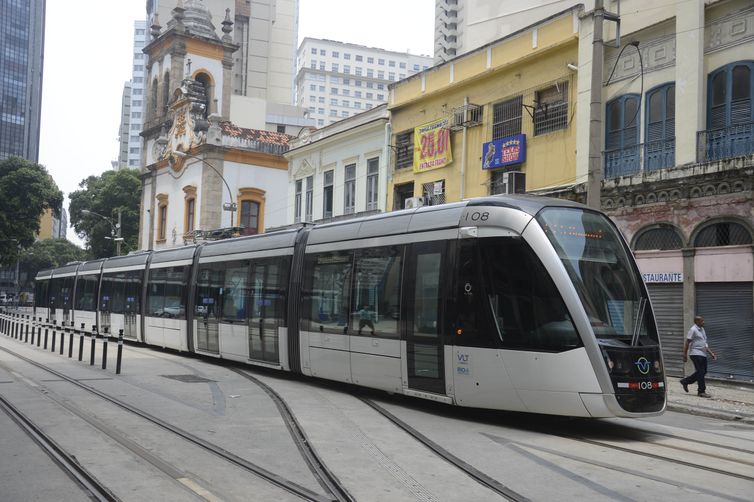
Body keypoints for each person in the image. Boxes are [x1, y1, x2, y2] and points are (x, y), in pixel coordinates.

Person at [680, 315, 717, 398]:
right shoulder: (693, 330)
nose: (704, 322)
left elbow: (704, 344)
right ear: (697, 322)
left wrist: (711, 353)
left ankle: (685, 381)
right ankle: (701, 391)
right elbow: (687, 343)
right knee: (700, 372)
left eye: (703, 321)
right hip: (695, 353)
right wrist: (685, 354)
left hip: (703, 353)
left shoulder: (702, 330)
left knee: (703, 372)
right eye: (702, 321)